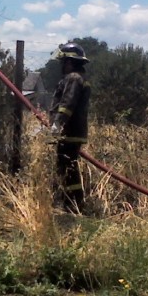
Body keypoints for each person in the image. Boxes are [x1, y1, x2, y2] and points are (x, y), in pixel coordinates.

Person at [48, 43, 91, 214]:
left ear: (70, 62)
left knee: (67, 168)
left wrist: (58, 123)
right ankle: (73, 203)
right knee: (68, 168)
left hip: (69, 131)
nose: (61, 66)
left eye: (63, 62)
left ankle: (72, 205)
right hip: (73, 131)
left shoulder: (73, 78)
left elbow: (67, 103)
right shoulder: (79, 77)